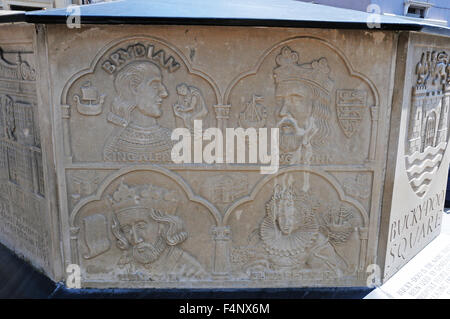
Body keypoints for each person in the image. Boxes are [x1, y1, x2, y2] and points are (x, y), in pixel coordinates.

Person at [109, 181, 207, 281]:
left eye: (141, 226)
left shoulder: (189, 269)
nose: (136, 239)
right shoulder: (125, 265)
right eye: (126, 229)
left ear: (162, 226)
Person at [103, 61, 173, 163]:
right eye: (154, 86)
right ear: (134, 87)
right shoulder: (115, 145)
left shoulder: (172, 140)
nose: (164, 93)